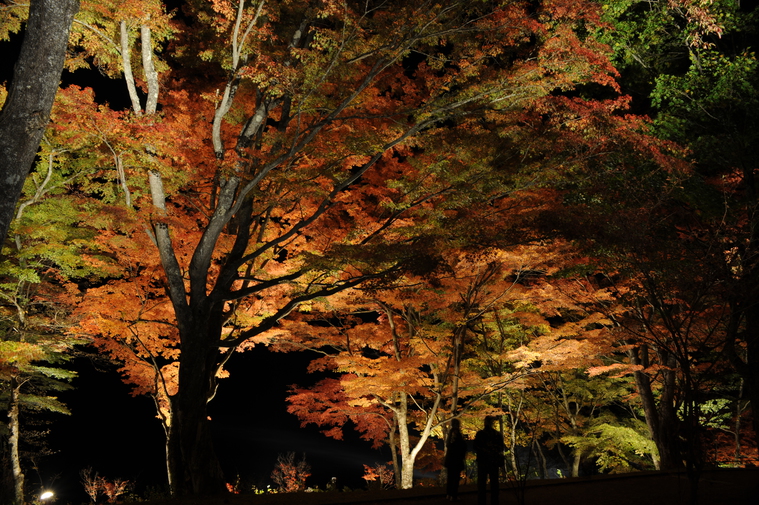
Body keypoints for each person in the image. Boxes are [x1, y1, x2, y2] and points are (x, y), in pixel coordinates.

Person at [473, 415, 504, 505]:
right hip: (493, 461)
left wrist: (484, 450)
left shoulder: (480, 434)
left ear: (485, 423)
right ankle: (495, 501)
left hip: (483, 461)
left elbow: (475, 446)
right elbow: (501, 448)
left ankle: (481, 502)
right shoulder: (497, 435)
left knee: (482, 484)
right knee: (494, 483)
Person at [444, 418, 467, 501]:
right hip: (456, 459)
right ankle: (453, 495)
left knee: (450, 477)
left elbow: (448, 445)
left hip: (450, 459)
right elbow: (461, 446)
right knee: (455, 478)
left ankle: (448, 494)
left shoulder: (450, 433)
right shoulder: (457, 433)